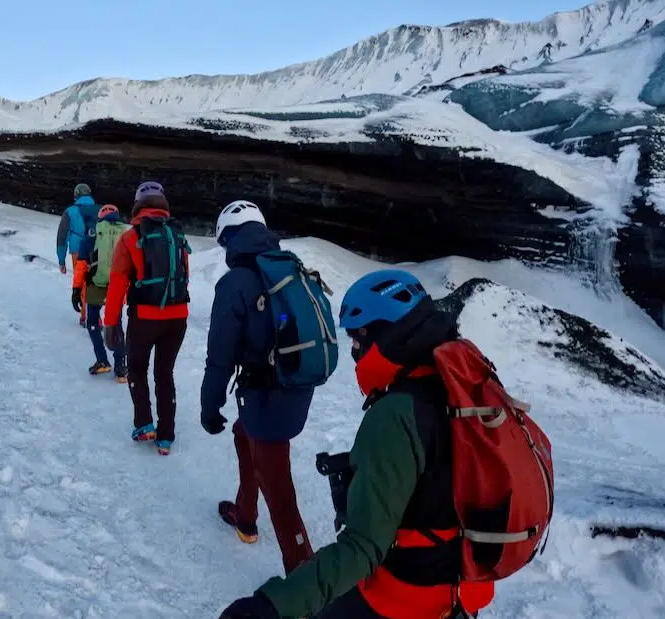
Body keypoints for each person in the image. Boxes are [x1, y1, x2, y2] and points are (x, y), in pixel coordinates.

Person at [218, 270, 495, 619]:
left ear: (386, 333)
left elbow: (363, 548)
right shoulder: (463, 378)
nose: (354, 351)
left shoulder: (395, 415)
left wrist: (272, 605)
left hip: (407, 596)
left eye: (358, 338)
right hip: (464, 587)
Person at [199, 200, 314, 575]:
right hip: (295, 386)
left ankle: (306, 583)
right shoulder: (288, 268)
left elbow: (220, 357)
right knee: (242, 432)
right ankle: (246, 516)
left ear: (230, 237)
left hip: (265, 397)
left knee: (279, 490)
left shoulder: (236, 282)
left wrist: (209, 405)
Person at [102, 181, 191, 456]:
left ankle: (144, 424)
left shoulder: (130, 237)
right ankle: (166, 437)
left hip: (144, 318)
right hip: (177, 318)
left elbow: (117, 284)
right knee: (165, 373)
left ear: (138, 205)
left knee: (137, 369)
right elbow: (185, 277)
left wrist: (110, 322)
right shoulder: (177, 234)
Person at [74, 204, 129, 382]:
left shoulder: (93, 232)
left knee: (92, 321)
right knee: (116, 323)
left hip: (96, 282)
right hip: (118, 285)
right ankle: (121, 368)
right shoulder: (126, 233)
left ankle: (102, 360)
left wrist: (76, 289)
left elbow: (82, 263)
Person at [56, 182, 98, 328]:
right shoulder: (99, 210)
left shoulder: (70, 211)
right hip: (97, 251)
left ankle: (86, 317)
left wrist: (61, 260)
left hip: (78, 252)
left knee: (82, 282)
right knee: (95, 282)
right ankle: (95, 316)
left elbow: (62, 237)